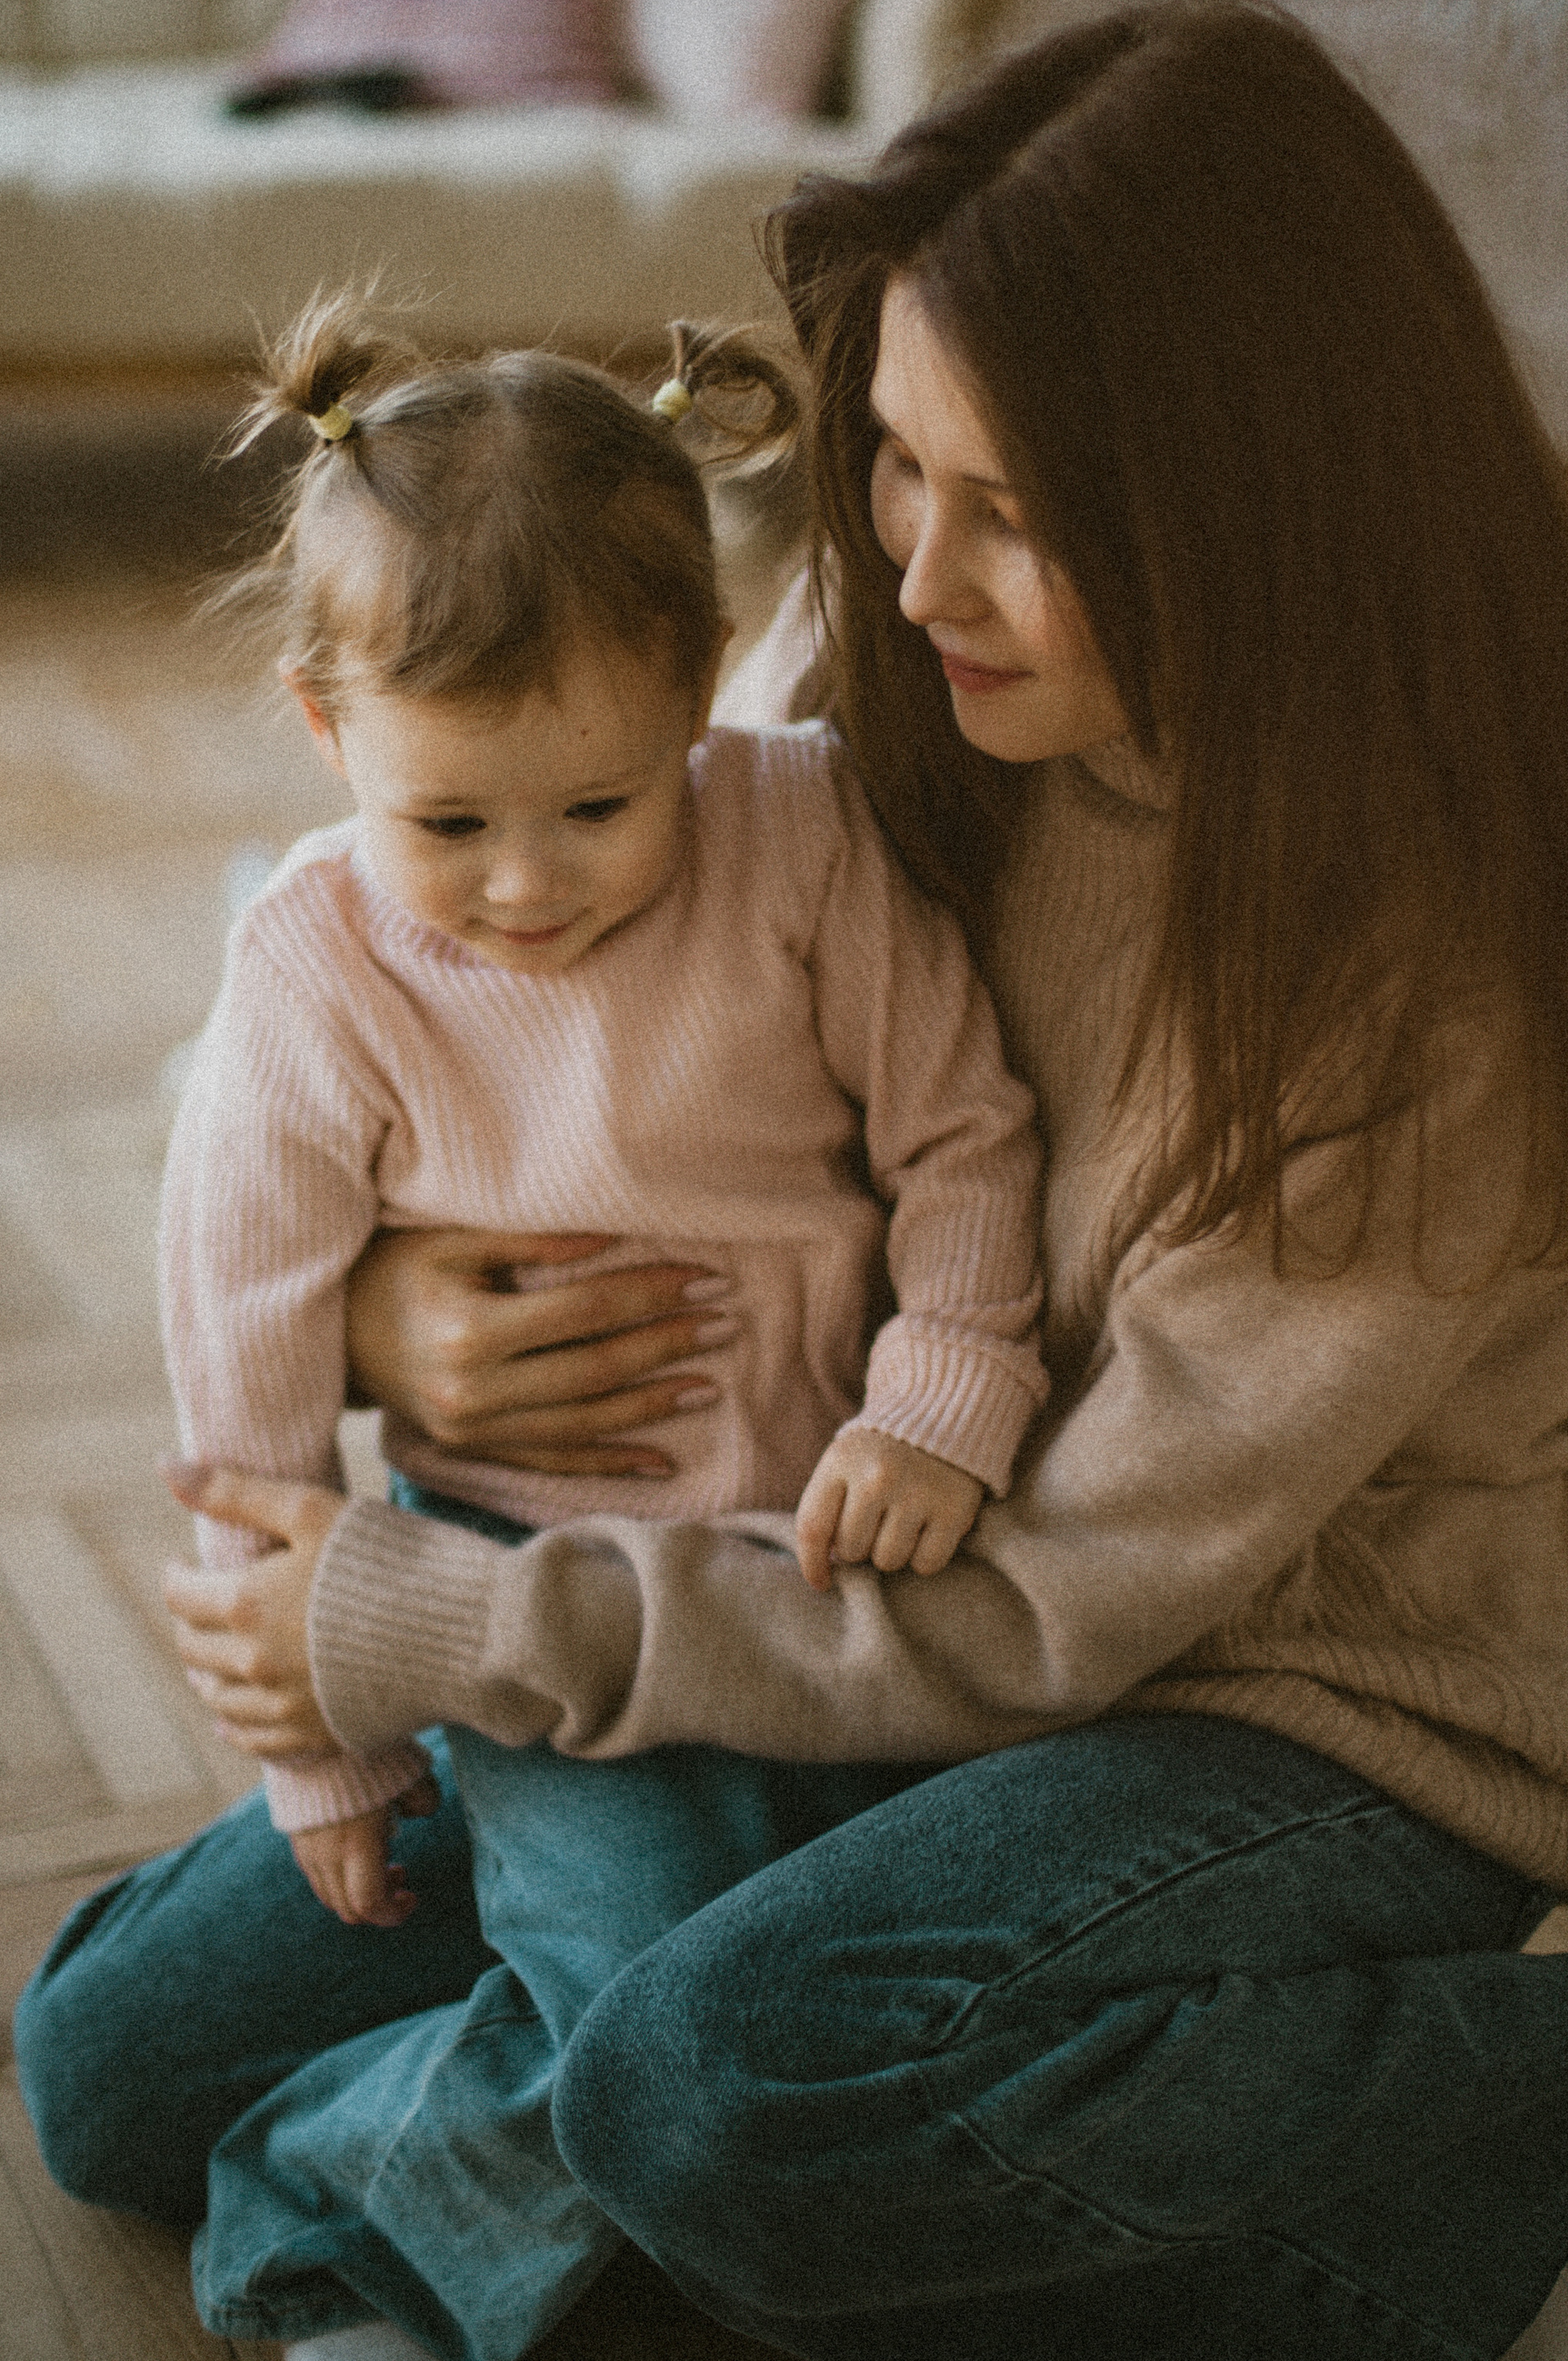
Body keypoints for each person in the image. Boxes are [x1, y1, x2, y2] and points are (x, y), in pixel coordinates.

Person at [18, 0, 1568, 2361]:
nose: (915, 573)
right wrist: (392, 1304)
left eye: (1013, 513)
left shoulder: (1423, 991)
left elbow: (1052, 1615)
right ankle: (665, 2142)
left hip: (1258, 1714)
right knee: (110, 2069)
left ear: (1262, 497)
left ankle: (1547, 2091)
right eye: (899, 466)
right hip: (790, 1598)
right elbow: (427, 993)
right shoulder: (915, 683)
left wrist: (461, 1629)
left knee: (720, 2094)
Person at [139, 292, 1049, 2349]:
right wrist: (317, 1743)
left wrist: (948, 1390)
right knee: (639, 1976)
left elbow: (970, 1142)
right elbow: (247, 1369)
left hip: (816, 1577)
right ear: (323, 724)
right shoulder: (312, 969)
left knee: (725, 1993)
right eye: (449, 824)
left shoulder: (806, 832)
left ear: (702, 700)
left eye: (601, 809)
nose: (529, 888)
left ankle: (389, 2157)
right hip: (509, 1585)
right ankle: (324, 2222)